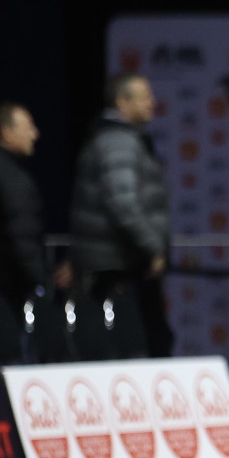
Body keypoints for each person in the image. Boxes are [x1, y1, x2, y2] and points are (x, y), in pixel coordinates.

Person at [68, 73, 172, 357]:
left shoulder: (121, 139)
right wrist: (153, 247)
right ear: (122, 102)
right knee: (134, 348)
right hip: (117, 266)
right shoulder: (118, 142)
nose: (152, 102)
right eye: (144, 97)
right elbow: (122, 202)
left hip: (119, 263)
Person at [0, 105, 54, 321]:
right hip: (9, 294)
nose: (35, 134)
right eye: (28, 127)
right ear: (7, 132)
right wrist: (41, 284)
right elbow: (22, 235)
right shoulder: (9, 176)